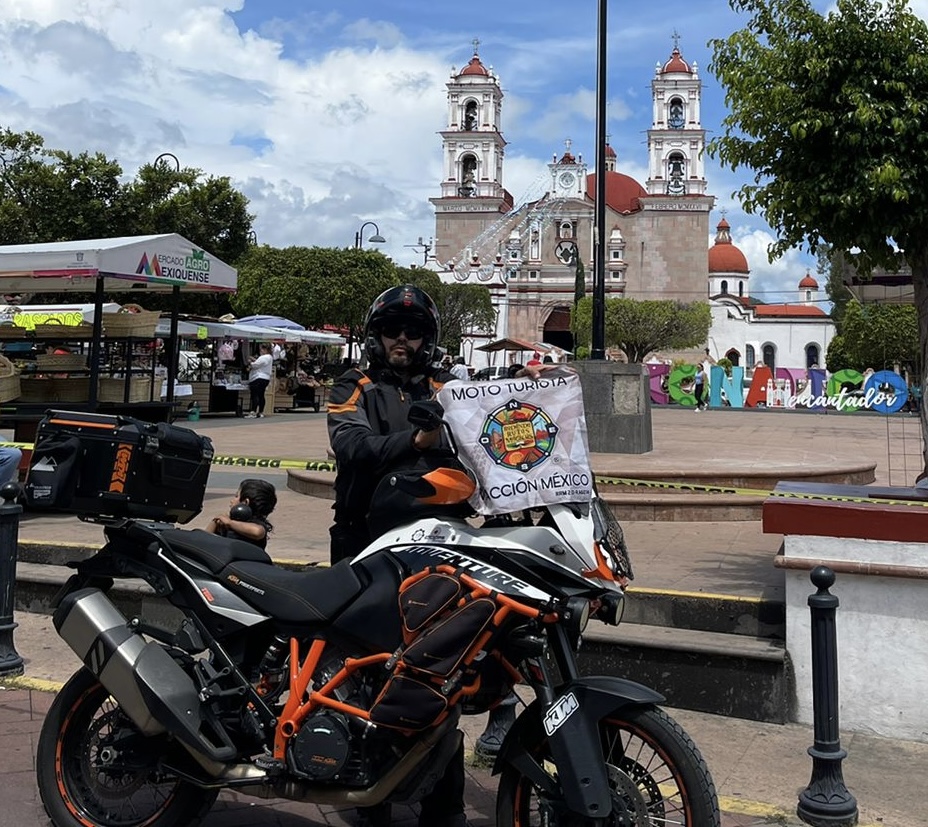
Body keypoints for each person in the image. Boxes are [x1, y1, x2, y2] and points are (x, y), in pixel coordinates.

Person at [327, 284, 468, 827]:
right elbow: (352, 446)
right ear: (376, 336)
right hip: (365, 541)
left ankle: (443, 805)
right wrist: (416, 442)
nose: (402, 339)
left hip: (435, 542)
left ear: (429, 338)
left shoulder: (447, 386)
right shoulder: (354, 384)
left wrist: (527, 388)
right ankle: (370, 800)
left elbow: (489, 421)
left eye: (412, 331)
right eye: (392, 330)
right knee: (370, 670)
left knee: (441, 671)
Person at [205, 478, 277, 549]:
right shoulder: (227, 521)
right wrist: (215, 521)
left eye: (236, 496)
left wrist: (230, 523)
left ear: (245, 502)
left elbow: (257, 531)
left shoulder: (256, 524)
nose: (231, 501)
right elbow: (204, 540)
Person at [246, 343, 274, 418]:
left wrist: (250, 362)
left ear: (265, 349)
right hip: (266, 378)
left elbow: (255, 365)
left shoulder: (264, 357)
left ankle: (253, 411)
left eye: (261, 349)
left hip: (258, 377)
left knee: (255, 395)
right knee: (261, 395)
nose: (260, 351)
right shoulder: (270, 357)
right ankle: (260, 412)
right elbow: (261, 363)